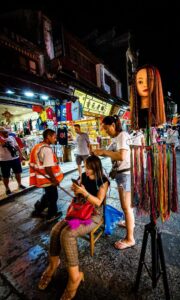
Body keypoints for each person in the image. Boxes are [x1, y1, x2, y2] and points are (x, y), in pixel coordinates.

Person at [37, 155, 109, 300]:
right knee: (56, 230)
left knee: (67, 234)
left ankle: (75, 278)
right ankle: (53, 265)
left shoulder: (103, 181)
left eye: (89, 168)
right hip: (79, 211)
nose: (86, 170)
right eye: (85, 167)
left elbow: (98, 202)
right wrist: (76, 189)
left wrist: (85, 193)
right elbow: (78, 194)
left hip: (92, 216)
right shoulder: (83, 175)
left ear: (95, 167)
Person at [93, 115, 135, 250]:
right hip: (122, 174)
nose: (106, 131)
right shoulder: (116, 138)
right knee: (128, 205)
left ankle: (130, 238)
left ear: (113, 125)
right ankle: (129, 223)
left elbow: (121, 156)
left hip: (126, 175)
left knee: (126, 207)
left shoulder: (122, 135)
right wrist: (97, 152)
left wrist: (104, 151)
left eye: (106, 128)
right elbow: (108, 152)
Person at [29, 129, 63, 223]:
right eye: (54, 137)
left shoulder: (38, 146)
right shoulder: (47, 149)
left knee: (47, 195)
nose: (55, 139)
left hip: (42, 178)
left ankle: (38, 210)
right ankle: (51, 215)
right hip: (47, 179)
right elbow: (48, 168)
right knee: (53, 197)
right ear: (48, 137)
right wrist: (54, 180)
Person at [130, 64, 166, 130]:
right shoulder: (136, 115)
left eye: (149, 80)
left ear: (156, 82)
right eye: (140, 82)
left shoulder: (157, 114)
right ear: (135, 85)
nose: (145, 85)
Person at [0, 126, 26, 195]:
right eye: (4, 132)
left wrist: (21, 155)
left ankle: (20, 184)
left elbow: (17, 147)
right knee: (6, 176)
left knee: (18, 173)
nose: (6, 133)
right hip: (4, 160)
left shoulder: (12, 138)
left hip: (15, 158)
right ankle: (7, 188)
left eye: (7, 132)